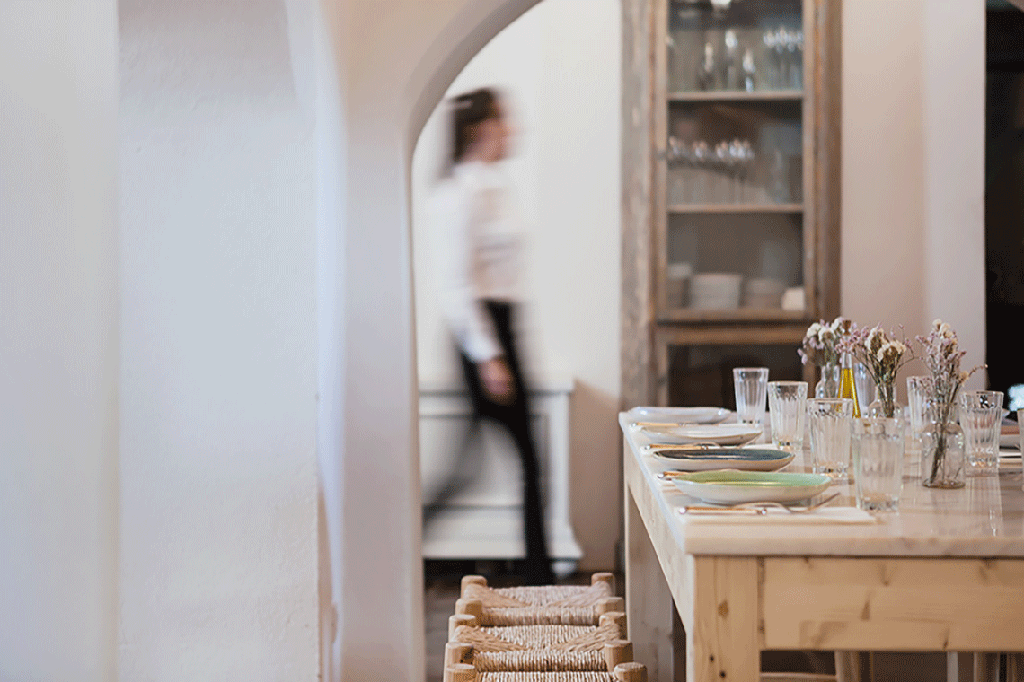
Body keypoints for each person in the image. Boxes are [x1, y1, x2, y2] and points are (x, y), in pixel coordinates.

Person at [423, 88, 554, 585]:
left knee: (483, 465)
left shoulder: (495, 188)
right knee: (517, 462)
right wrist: (489, 356)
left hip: (504, 328)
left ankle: (538, 574)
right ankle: (539, 577)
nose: (513, 131)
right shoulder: (458, 194)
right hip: (483, 337)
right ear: (482, 129)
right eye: (505, 121)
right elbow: (456, 286)